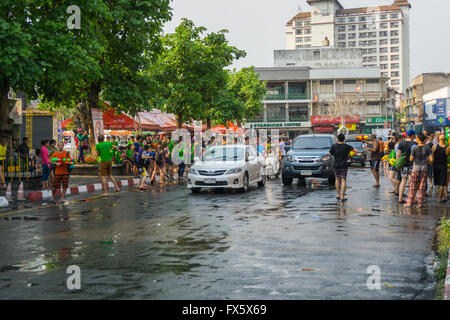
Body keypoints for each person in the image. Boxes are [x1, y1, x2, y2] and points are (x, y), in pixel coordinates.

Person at [405, 133, 432, 208]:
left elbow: (411, 159)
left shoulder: (414, 148)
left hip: (416, 168)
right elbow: (431, 159)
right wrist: (426, 162)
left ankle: (409, 202)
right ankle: (420, 203)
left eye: (416, 138)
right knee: (422, 186)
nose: (415, 139)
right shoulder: (428, 148)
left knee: (413, 186)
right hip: (424, 168)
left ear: (418, 139)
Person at [329, 134, 356, 202]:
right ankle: (342, 196)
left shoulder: (334, 146)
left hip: (336, 165)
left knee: (337, 179)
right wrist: (351, 154)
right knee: (343, 180)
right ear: (344, 139)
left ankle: (338, 194)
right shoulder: (346, 146)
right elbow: (356, 151)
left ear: (337, 139)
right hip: (344, 165)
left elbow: (329, 154)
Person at [397, 130, 417, 204]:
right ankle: (412, 199)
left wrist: (397, 164)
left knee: (403, 181)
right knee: (411, 182)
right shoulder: (415, 143)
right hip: (412, 165)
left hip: (403, 165)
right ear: (412, 136)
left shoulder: (401, 143)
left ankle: (400, 198)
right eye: (414, 135)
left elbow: (398, 155)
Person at [432, 135, 449, 203]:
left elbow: (432, 157)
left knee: (438, 183)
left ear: (438, 139)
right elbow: (447, 155)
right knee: (442, 183)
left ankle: (441, 197)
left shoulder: (434, 146)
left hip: (435, 166)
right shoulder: (447, 148)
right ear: (445, 140)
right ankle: (440, 198)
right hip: (443, 166)